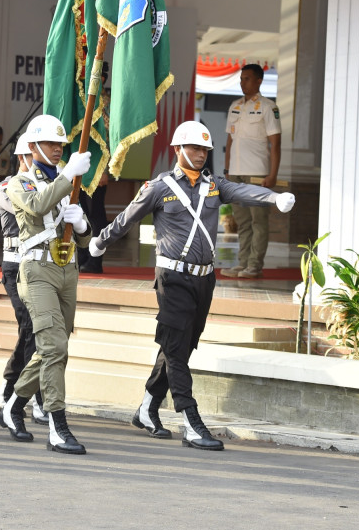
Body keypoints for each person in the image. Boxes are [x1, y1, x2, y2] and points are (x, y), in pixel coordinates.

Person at [89, 120, 295, 450]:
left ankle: (146, 409)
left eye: (205, 150)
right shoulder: (159, 186)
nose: (200, 154)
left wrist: (274, 198)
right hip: (172, 278)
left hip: (204, 279)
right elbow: (127, 217)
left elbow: (245, 192)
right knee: (176, 349)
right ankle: (191, 420)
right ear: (178, 150)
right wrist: (100, 242)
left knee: (179, 346)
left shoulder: (214, 186)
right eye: (195, 148)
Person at [0, 114, 92, 455]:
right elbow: (37, 205)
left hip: (67, 270)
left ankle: (13, 404)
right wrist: (68, 175)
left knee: (54, 349)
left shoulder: (69, 182)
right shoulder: (19, 183)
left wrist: (82, 227)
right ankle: (57, 425)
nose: (57, 149)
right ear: (34, 146)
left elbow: (82, 240)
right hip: (37, 271)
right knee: (53, 348)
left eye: (60, 145)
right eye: (51, 144)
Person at [0, 133, 47, 426]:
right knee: (30, 326)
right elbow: (33, 210)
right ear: (24, 157)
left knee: (33, 330)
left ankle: (9, 388)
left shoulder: (46, 186)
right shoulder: (7, 188)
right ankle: (34, 398)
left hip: (39, 265)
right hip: (15, 264)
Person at [221, 64, 282, 279]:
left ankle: (255, 265)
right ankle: (243, 262)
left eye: (247, 79)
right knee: (243, 221)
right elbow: (230, 140)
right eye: (241, 79)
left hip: (257, 173)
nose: (242, 82)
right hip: (236, 173)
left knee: (259, 221)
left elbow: (275, 145)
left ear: (259, 81)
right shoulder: (235, 105)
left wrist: (272, 174)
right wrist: (227, 169)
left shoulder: (268, 107)